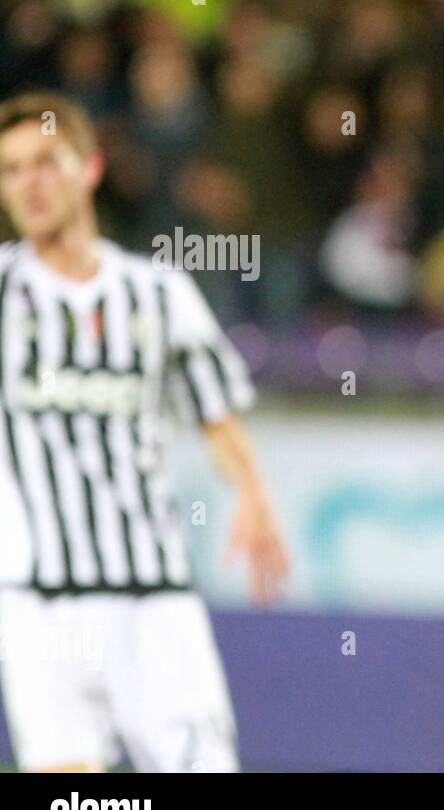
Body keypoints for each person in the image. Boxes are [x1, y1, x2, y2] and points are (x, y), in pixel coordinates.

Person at [0, 91, 288, 772]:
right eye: (10, 170)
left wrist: (252, 491)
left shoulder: (158, 293)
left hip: (152, 598)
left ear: (90, 168)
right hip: (36, 603)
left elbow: (215, 417)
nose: (28, 184)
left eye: (45, 162)